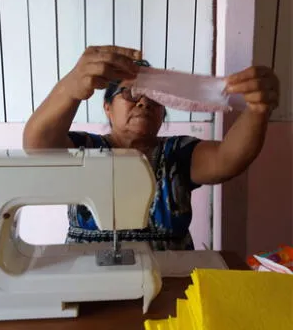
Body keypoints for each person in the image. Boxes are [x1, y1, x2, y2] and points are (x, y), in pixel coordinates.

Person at [23, 45, 280, 250]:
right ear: (107, 107)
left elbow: (229, 158)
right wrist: (70, 87)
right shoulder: (85, 149)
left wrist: (258, 110)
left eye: (155, 99)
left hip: (170, 280)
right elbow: (38, 148)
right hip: (87, 278)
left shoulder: (178, 152)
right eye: (131, 94)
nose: (144, 104)